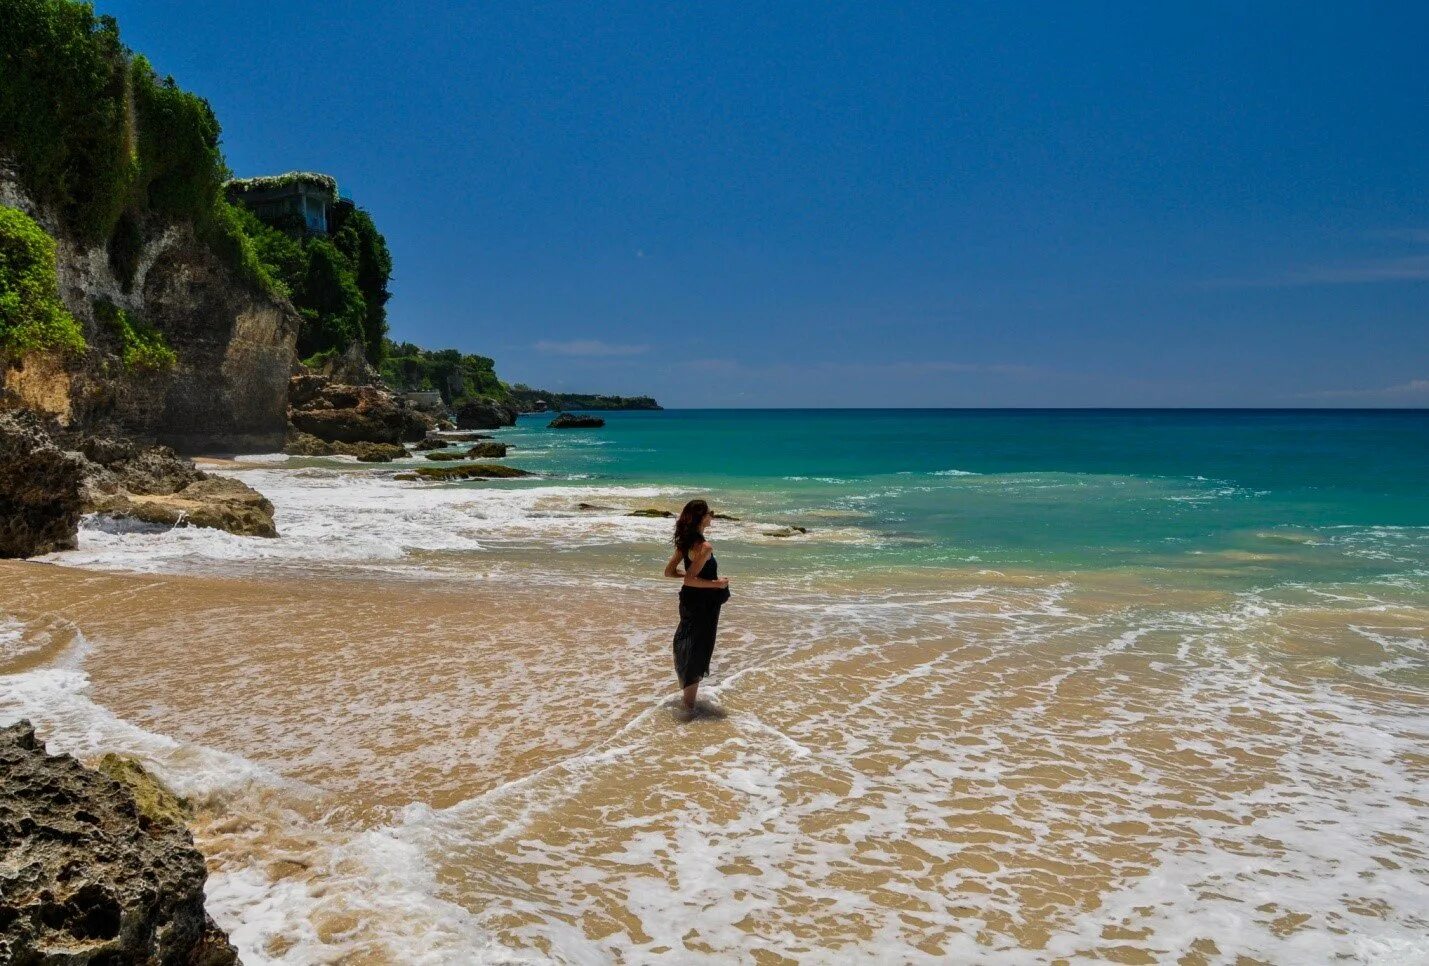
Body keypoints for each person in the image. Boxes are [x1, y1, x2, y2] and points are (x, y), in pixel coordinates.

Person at [663, 499, 731, 711]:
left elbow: (670, 572)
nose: (711, 516)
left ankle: (688, 700)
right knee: (698, 648)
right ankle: (689, 706)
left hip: (689, 602)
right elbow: (690, 579)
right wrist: (716, 583)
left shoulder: (685, 543)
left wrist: (697, 577)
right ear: (702, 518)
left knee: (688, 642)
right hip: (704, 604)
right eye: (709, 513)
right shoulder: (704, 547)